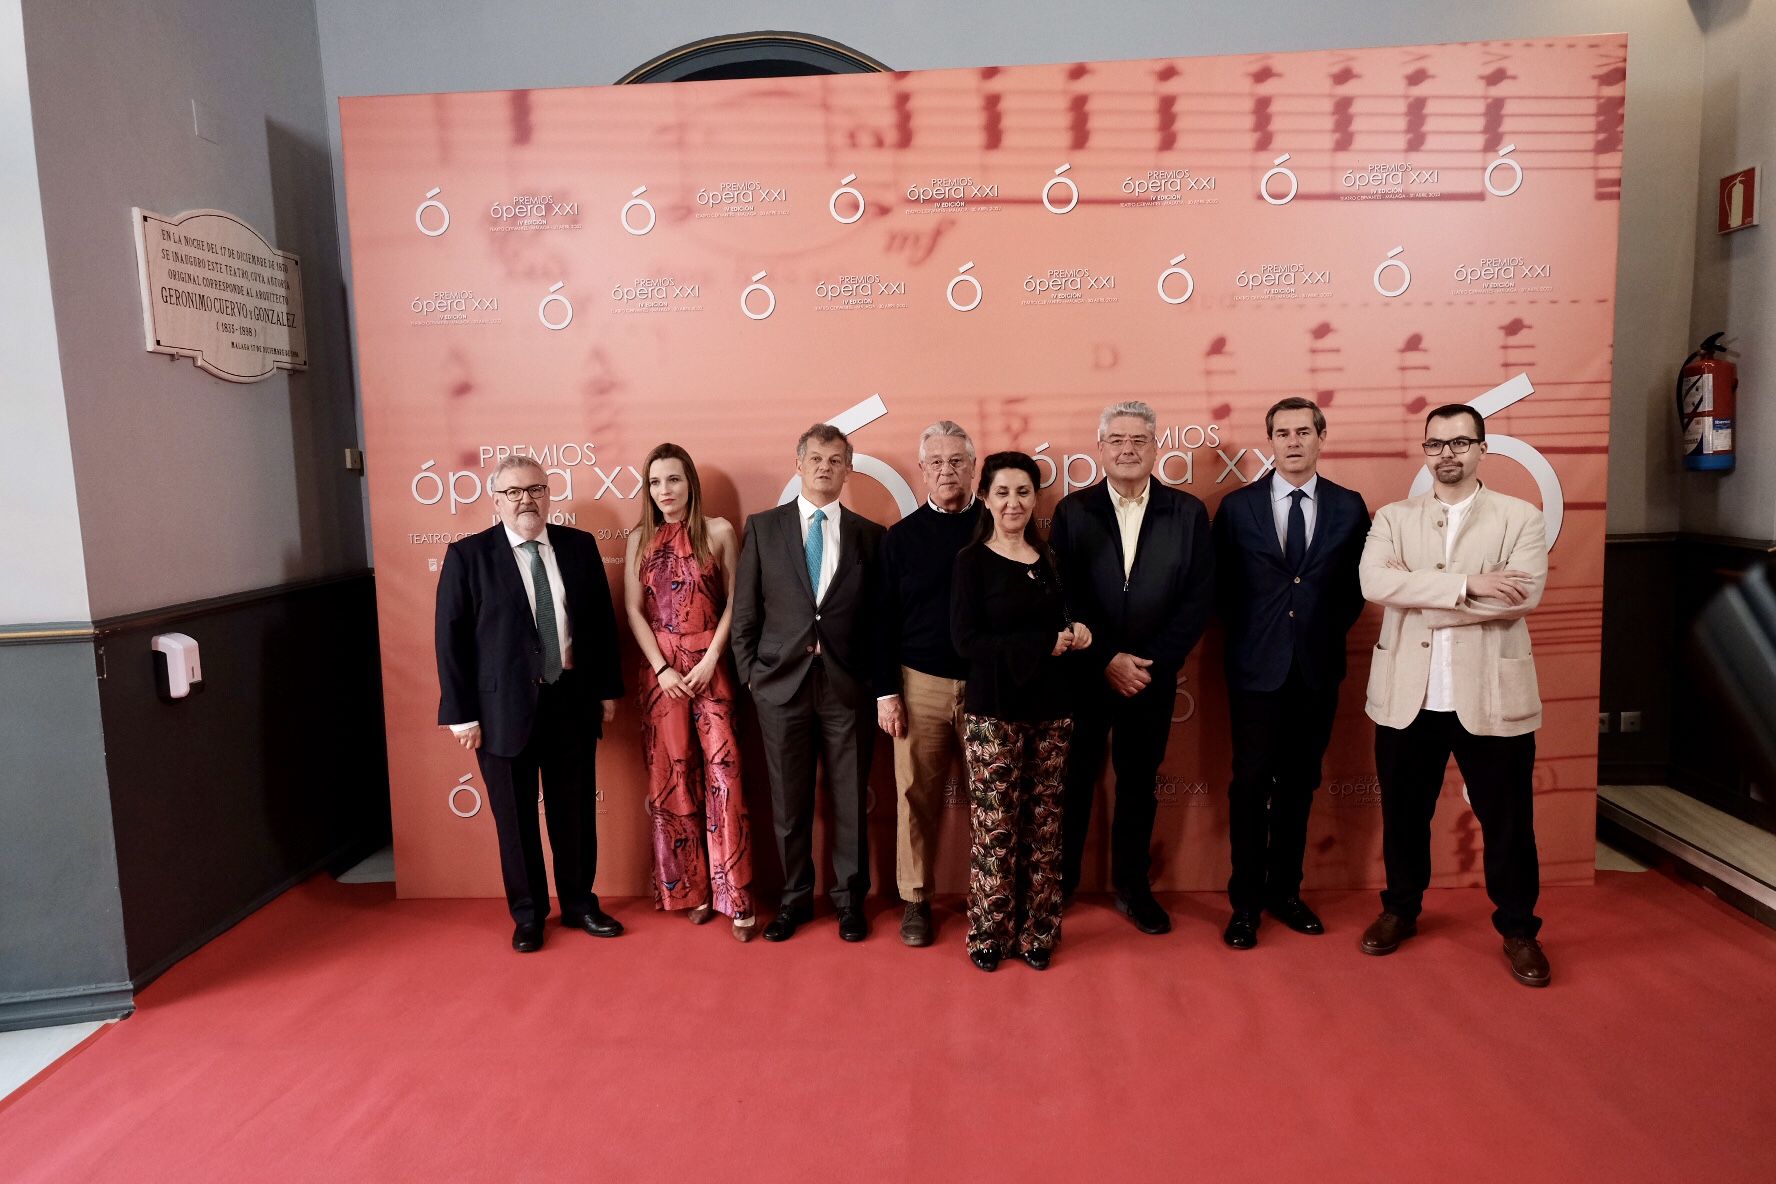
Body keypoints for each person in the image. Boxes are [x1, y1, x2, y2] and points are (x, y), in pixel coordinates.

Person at [1358, 403, 1552, 988]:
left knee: (1510, 822)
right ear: (1425, 451)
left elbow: (1522, 596)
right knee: (1403, 817)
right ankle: (1400, 910)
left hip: (1492, 697)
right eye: (1436, 444)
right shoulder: (1393, 517)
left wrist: (1423, 605)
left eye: (1460, 443)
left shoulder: (1521, 517)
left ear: (1481, 449)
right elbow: (1375, 583)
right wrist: (1469, 587)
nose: (1448, 454)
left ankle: (1519, 929)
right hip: (1406, 698)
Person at [434, 455, 625, 953]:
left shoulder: (579, 548)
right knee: (515, 822)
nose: (527, 500)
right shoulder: (468, 557)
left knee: (575, 812)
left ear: (548, 494)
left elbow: (601, 625)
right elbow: (450, 641)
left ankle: (581, 903)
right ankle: (529, 914)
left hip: (571, 701)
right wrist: (461, 714)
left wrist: (605, 690)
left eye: (536, 489)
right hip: (501, 713)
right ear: (496, 500)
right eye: (514, 492)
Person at [1212, 397, 1370, 949]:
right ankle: (1245, 904)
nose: (1294, 442)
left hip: (1316, 669)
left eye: (1304, 431)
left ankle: (1286, 891)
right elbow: (1225, 593)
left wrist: (1315, 634)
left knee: (1301, 786)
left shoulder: (1350, 507)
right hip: (1256, 672)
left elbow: (1354, 592)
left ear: (1321, 438)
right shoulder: (1236, 508)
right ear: (1270, 441)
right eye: (1283, 433)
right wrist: (1263, 636)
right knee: (1250, 787)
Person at [1051, 401, 1214, 934]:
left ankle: (1133, 886)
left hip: (1152, 674)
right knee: (1074, 782)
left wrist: (1150, 663)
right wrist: (1104, 660)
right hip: (1085, 674)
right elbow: (1064, 596)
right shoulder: (1073, 513)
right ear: (1100, 448)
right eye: (1117, 439)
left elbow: (1197, 598)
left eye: (1139, 440)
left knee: (1139, 784)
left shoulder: (1187, 513)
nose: (1127, 448)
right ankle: (1062, 882)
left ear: (1156, 447)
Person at [731, 424, 887, 943]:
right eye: (815, 458)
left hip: (847, 688)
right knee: (789, 804)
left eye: (835, 459)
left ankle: (848, 902)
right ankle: (795, 901)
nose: (825, 466)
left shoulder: (870, 535)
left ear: (848, 467)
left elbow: (876, 621)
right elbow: (746, 614)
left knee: (849, 802)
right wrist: (753, 678)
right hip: (780, 688)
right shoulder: (763, 527)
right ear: (798, 465)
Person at [951, 451, 1091, 971]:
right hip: (995, 714)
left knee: (1046, 828)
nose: (1014, 502)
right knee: (995, 829)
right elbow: (966, 641)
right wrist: (1040, 644)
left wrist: (1080, 633)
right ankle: (988, 935)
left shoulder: (1052, 558)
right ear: (985, 497)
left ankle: (1038, 932)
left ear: (1037, 498)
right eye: (1003, 492)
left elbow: (1070, 616)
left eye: (1024, 492)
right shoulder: (970, 561)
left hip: (1053, 709)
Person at [624, 443, 757, 942]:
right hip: (661, 676)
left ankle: (736, 898)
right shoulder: (640, 538)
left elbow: (735, 603)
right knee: (671, 780)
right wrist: (661, 668)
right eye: (656, 483)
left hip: (710, 667)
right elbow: (634, 610)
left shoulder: (719, 532)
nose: (665, 491)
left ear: (690, 483)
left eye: (673, 480)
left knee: (724, 778)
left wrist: (710, 659)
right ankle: (693, 891)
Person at [875, 421, 984, 946]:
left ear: (973, 466)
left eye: (956, 461)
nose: (947, 470)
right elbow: (881, 621)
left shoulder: (1002, 525)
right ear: (922, 470)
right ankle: (916, 900)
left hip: (989, 684)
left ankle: (991, 895)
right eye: (936, 462)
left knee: (995, 797)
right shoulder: (901, 538)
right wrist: (886, 691)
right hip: (919, 684)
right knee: (915, 796)